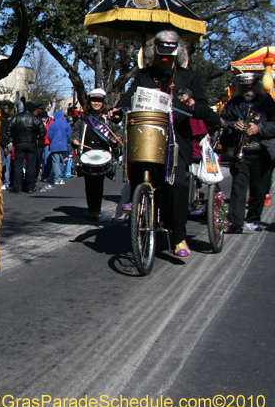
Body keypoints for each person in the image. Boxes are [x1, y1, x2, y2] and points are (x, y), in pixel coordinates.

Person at [112, 29, 218, 259]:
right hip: (148, 135)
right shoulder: (144, 75)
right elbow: (130, 96)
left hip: (176, 141)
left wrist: (190, 105)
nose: (165, 56)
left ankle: (178, 234)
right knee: (137, 168)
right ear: (153, 50)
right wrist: (118, 110)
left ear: (178, 51)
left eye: (171, 50)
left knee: (176, 185)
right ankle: (137, 199)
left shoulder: (189, 77)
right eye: (161, 49)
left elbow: (203, 108)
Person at [220, 73, 275, 233]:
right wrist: (233, 125)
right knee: (238, 187)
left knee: (259, 188)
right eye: (244, 88)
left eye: (250, 87)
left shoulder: (267, 102)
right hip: (240, 151)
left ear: (256, 86)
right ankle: (235, 222)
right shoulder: (233, 104)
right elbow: (223, 122)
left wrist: (259, 128)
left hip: (262, 151)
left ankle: (253, 219)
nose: (247, 91)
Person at [72, 89, 120, 219]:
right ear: (89, 102)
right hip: (87, 152)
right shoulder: (83, 118)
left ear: (103, 103)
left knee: (98, 183)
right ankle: (92, 209)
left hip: (102, 153)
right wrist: (74, 139)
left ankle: (95, 211)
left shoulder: (108, 119)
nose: (96, 103)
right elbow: (75, 130)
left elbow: (119, 132)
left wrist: (116, 140)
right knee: (89, 183)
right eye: (94, 100)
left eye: (99, 101)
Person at [7, 101, 46, 193]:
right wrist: (37, 136)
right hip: (31, 143)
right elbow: (42, 132)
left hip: (19, 143)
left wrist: (15, 136)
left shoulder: (16, 118)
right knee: (31, 166)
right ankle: (29, 187)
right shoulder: (35, 119)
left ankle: (17, 187)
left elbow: (8, 131)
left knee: (18, 165)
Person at [47, 110, 72, 185]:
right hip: (63, 145)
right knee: (61, 161)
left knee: (55, 162)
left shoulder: (52, 124)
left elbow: (49, 135)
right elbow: (69, 135)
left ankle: (56, 178)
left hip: (54, 145)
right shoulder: (66, 124)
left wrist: (52, 141)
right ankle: (60, 177)